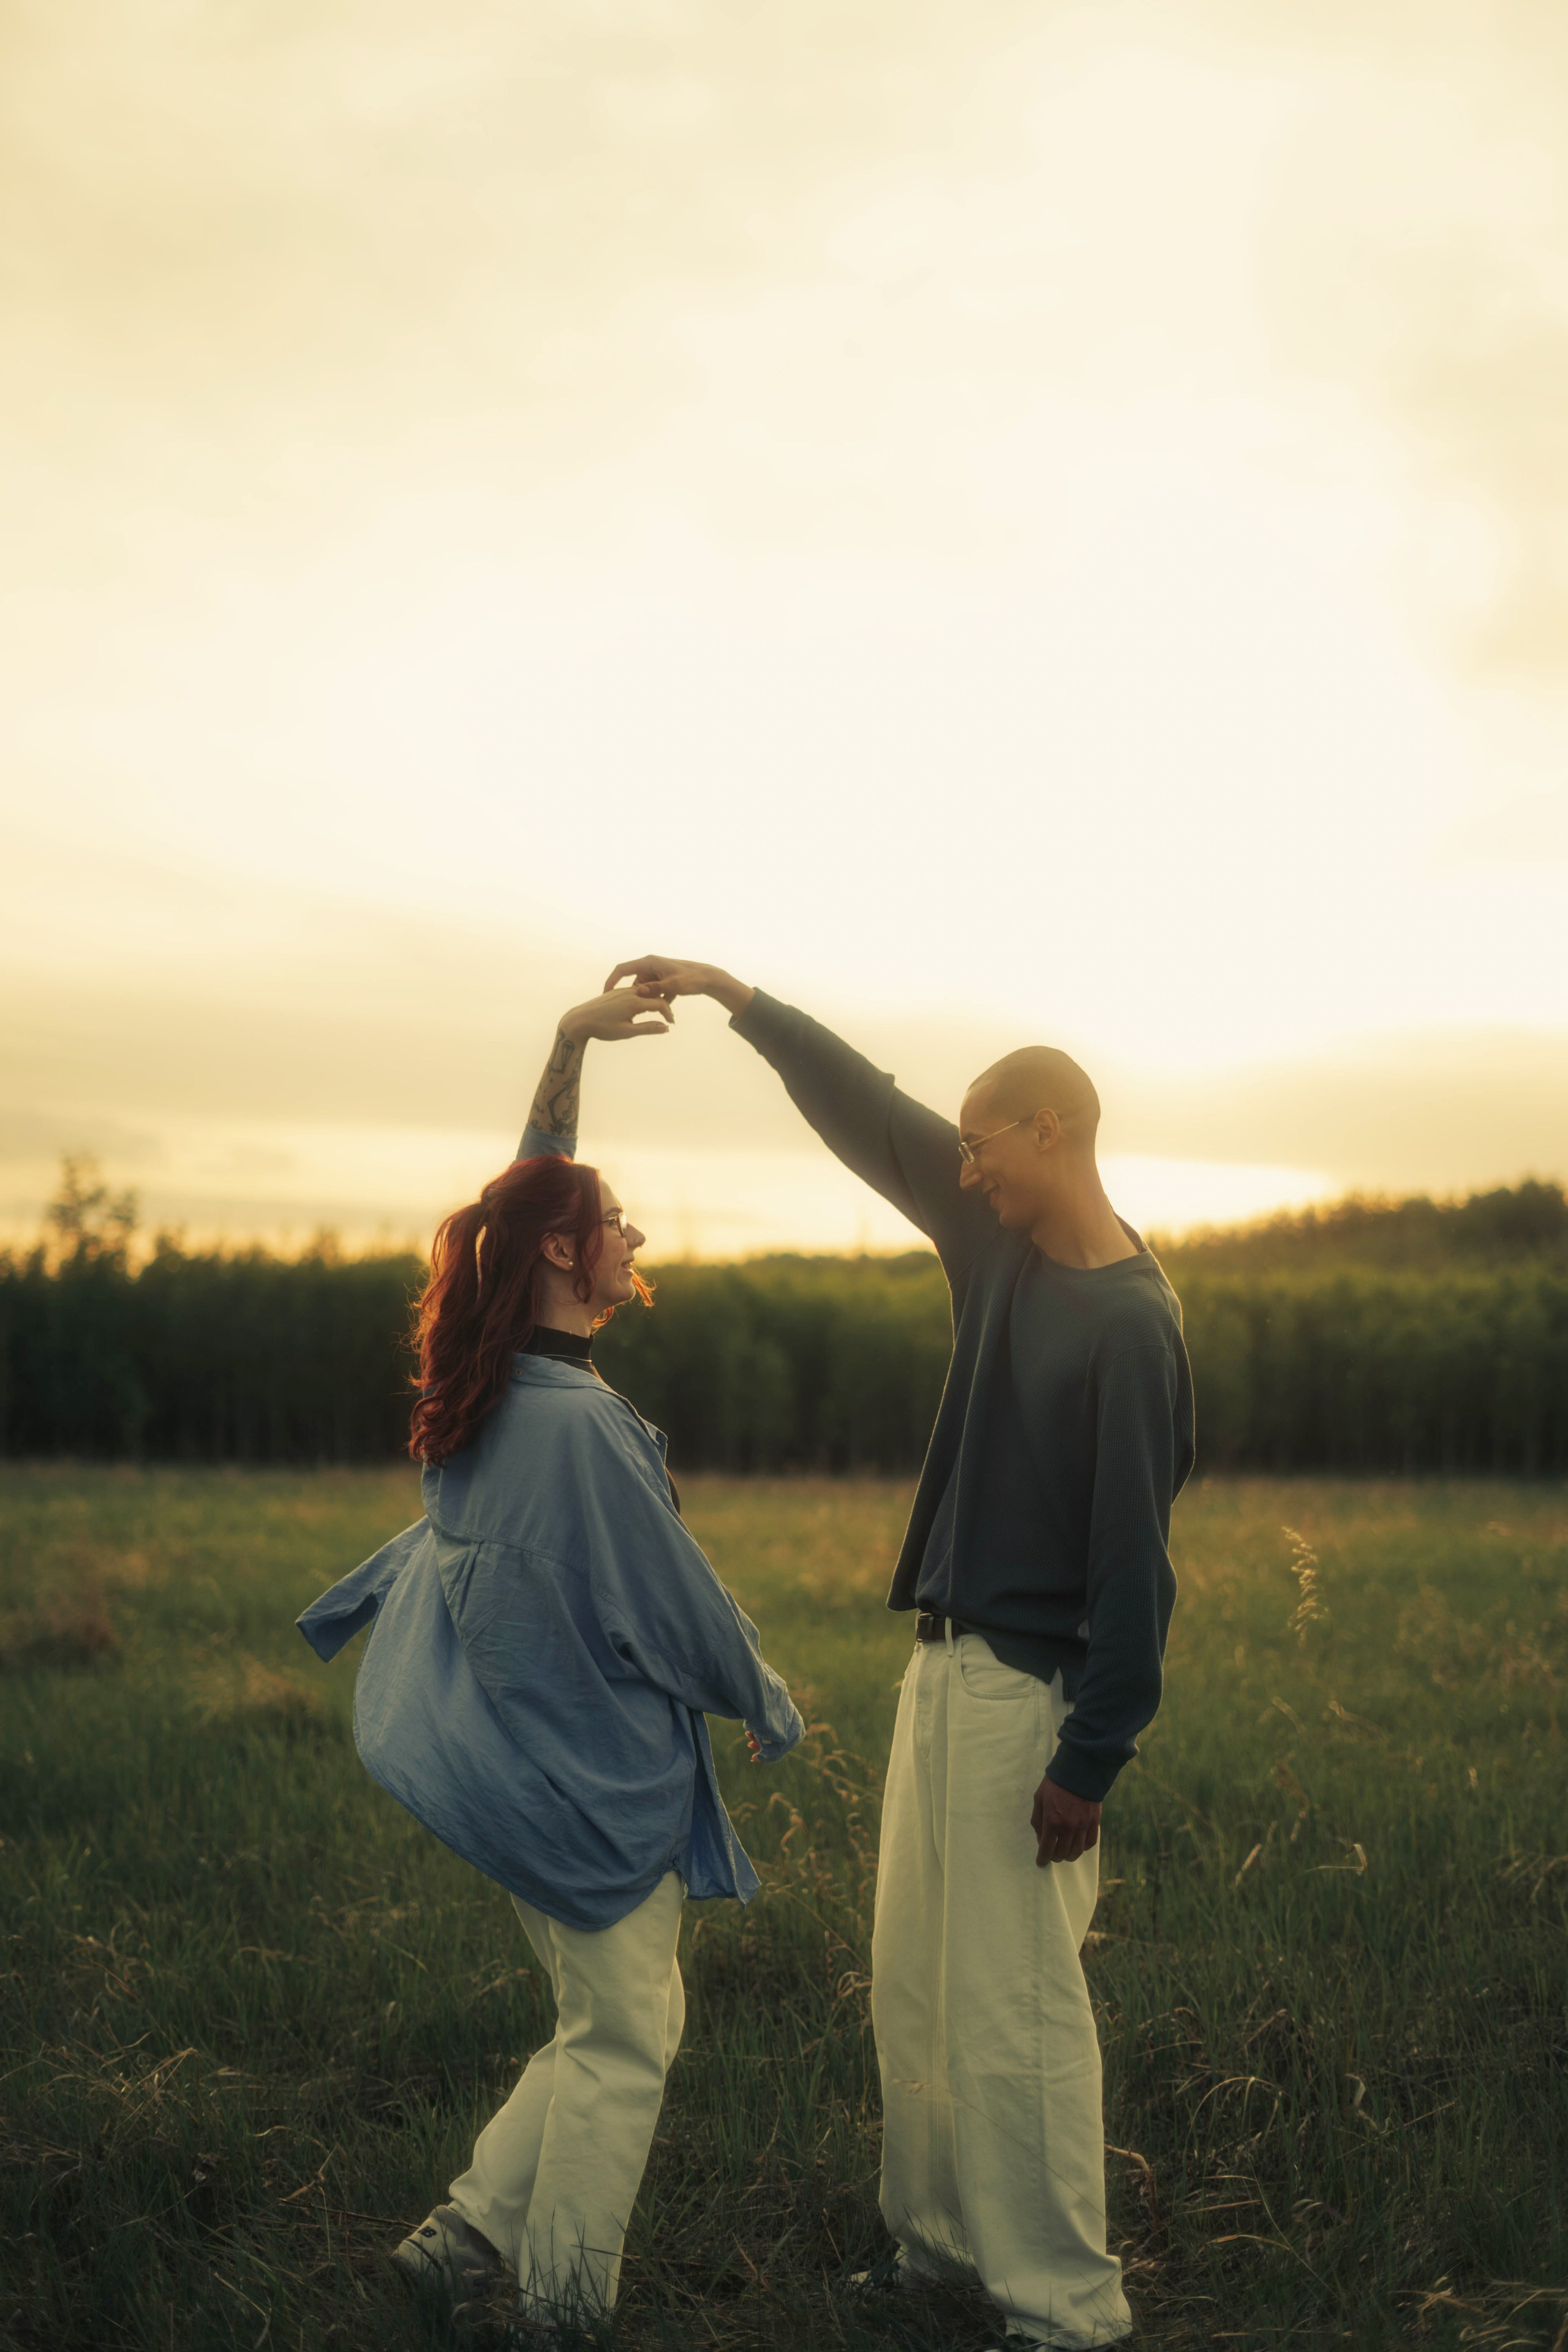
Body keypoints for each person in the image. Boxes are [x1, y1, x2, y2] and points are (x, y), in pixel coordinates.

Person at [605, 955, 1195, 2352]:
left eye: (983, 1145)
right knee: (918, 1990)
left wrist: (1089, 1757)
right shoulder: (991, 1242)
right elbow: (864, 1110)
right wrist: (740, 1002)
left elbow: (1135, 1577)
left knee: (1017, 2014)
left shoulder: (1132, 1326)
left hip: (1029, 1702)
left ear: (1049, 1133)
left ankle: (1064, 2308)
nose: (964, 1167)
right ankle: (933, 2254)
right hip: (938, 1673)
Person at [295, 986, 804, 2334]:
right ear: (570, 1260)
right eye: (612, 1223)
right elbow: (676, 1605)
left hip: (511, 1772)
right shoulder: (578, 1430)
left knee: (601, 2024)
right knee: (629, 2041)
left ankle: (458, 2241)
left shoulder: (487, 1388)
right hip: (584, 1785)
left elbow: (520, 1197)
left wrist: (569, 1049)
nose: (633, 1234)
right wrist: (761, 1693)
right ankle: (561, 2308)